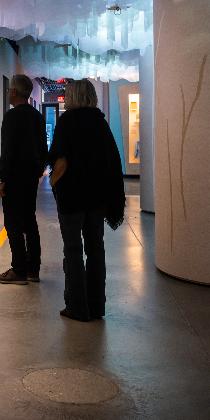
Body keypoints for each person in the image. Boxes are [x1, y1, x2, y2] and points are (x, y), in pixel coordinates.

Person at [47, 79, 125, 321]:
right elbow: (111, 159)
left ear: (73, 96)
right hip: (97, 197)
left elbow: (61, 160)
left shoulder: (67, 121)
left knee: (72, 250)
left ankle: (77, 308)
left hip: (72, 197)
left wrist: (51, 182)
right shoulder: (100, 122)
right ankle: (97, 306)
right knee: (95, 249)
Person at [0, 74, 47, 285]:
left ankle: (19, 270)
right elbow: (44, 150)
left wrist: (1, 179)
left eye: (8, 90)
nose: (7, 94)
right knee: (29, 221)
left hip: (14, 179)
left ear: (14, 92)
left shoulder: (12, 116)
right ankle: (33, 269)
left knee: (13, 223)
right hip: (31, 178)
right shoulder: (37, 117)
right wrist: (37, 172)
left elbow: (8, 151)